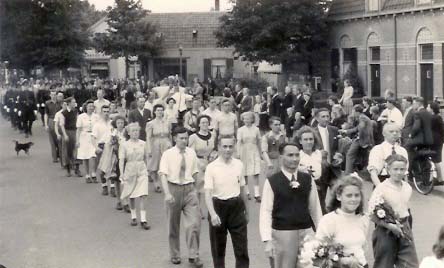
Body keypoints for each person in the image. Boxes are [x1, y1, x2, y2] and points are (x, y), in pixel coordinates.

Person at [260, 142, 322, 268]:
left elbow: (315, 208)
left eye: (297, 155)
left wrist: (320, 235)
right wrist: (267, 240)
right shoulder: (272, 181)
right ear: (282, 157)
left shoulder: (307, 179)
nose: (294, 159)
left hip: (306, 233)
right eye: (290, 155)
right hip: (282, 234)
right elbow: (266, 211)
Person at [159, 127, 203, 268]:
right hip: (173, 189)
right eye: (181, 138)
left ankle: (193, 255)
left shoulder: (191, 153)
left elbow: (195, 172)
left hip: (189, 190)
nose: (184, 141)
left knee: (194, 224)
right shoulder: (168, 154)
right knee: (173, 225)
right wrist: (167, 193)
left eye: (186, 138)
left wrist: (196, 190)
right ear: (175, 139)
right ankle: (175, 254)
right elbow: (163, 175)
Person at [205, 136, 250, 268]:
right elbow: (207, 194)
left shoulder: (239, 164)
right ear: (219, 147)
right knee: (218, 249)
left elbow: (243, 189)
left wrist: (247, 211)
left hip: (236, 208)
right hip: (218, 207)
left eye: (230, 146)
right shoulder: (211, 167)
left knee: (241, 248)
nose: (228, 150)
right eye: (224, 146)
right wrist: (213, 214)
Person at [369, 154, 418, 268]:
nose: (399, 172)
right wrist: (389, 225)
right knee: (384, 264)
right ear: (388, 169)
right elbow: (372, 214)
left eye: (402, 169)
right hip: (386, 230)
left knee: (410, 264)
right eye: (395, 169)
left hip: (404, 228)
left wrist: (407, 228)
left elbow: (406, 209)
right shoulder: (382, 188)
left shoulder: (407, 187)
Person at [316, 175, 369, 268]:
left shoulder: (363, 218)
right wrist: (342, 261)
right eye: (349, 195)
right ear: (339, 196)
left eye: (357, 195)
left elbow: (363, 247)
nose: (353, 199)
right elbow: (318, 252)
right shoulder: (329, 220)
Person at [119, 123, 150, 230]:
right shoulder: (124, 145)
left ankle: (143, 220)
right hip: (130, 169)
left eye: (137, 130)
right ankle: (133, 217)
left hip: (141, 169)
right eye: (133, 131)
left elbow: (146, 157)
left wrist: (147, 169)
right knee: (131, 194)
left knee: (143, 194)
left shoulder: (143, 143)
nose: (135, 133)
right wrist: (121, 173)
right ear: (128, 132)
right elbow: (121, 159)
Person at [189, 115, 215, 218]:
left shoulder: (212, 135)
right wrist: (200, 164)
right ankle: (197, 209)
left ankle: (211, 209)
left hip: (210, 162)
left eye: (206, 122)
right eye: (203, 122)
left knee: (211, 187)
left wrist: (213, 157)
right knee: (198, 188)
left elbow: (214, 148)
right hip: (198, 163)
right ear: (199, 124)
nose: (205, 124)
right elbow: (191, 153)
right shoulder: (193, 137)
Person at [146, 104, 172, 193]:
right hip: (155, 144)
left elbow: (170, 135)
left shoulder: (167, 122)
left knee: (166, 164)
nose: (160, 112)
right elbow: (148, 137)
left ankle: (165, 183)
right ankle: (156, 183)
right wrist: (149, 149)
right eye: (158, 110)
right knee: (154, 165)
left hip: (166, 143)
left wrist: (171, 145)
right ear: (154, 112)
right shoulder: (150, 123)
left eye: (161, 110)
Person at [237, 112, 262, 202]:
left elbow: (259, 141)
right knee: (245, 173)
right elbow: (239, 142)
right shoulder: (240, 130)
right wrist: (238, 153)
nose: (247, 120)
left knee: (256, 172)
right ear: (243, 120)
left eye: (248, 118)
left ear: (252, 119)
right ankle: (247, 192)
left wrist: (261, 152)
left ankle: (257, 194)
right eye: (245, 119)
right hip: (245, 151)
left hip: (254, 150)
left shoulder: (256, 129)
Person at [92, 105, 114, 195]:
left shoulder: (113, 123)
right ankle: (104, 186)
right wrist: (96, 147)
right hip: (101, 146)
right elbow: (93, 137)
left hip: (111, 146)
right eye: (104, 111)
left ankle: (113, 187)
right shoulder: (97, 124)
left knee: (112, 167)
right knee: (102, 168)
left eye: (107, 111)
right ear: (101, 113)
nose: (106, 113)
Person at [76, 100, 99, 183]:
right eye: (89, 106)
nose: (91, 108)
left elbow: (98, 128)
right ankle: (87, 174)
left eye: (92, 106)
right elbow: (78, 129)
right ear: (86, 107)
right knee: (85, 156)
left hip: (94, 137)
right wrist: (77, 140)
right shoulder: (81, 117)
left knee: (94, 155)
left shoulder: (96, 116)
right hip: (84, 137)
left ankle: (94, 173)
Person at [60, 97, 81, 177]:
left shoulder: (76, 111)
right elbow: (62, 125)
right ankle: (68, 169)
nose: (74, 104)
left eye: (75, 102)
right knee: (67, 151)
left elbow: (78, 121)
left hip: (75, 131)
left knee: (77, 150)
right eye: (73, 102)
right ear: (68, 103)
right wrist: (65, 135)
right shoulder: (64, 113)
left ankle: (77, 168)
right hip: (67, 131)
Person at [428, 102, 444, 185]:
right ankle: (439, 178)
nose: (427, 108)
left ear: (432, 108)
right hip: (439, 141)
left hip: (434, 141)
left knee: (435, 160)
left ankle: (440, 179)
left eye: (428, 106)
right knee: (436, 160)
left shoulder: (433, 118)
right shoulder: (438, 117)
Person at [44, 90, 62, 163]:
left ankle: (60, 155)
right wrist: (46, 124)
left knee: (59, 139)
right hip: (51, 121)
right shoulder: (47, 103)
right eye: (52, 95)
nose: (54, 96)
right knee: (52, 140)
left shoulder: (60, 103)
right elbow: (46, 114)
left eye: (55, 95)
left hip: (59, 121)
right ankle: (54, 157)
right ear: (50, 95)